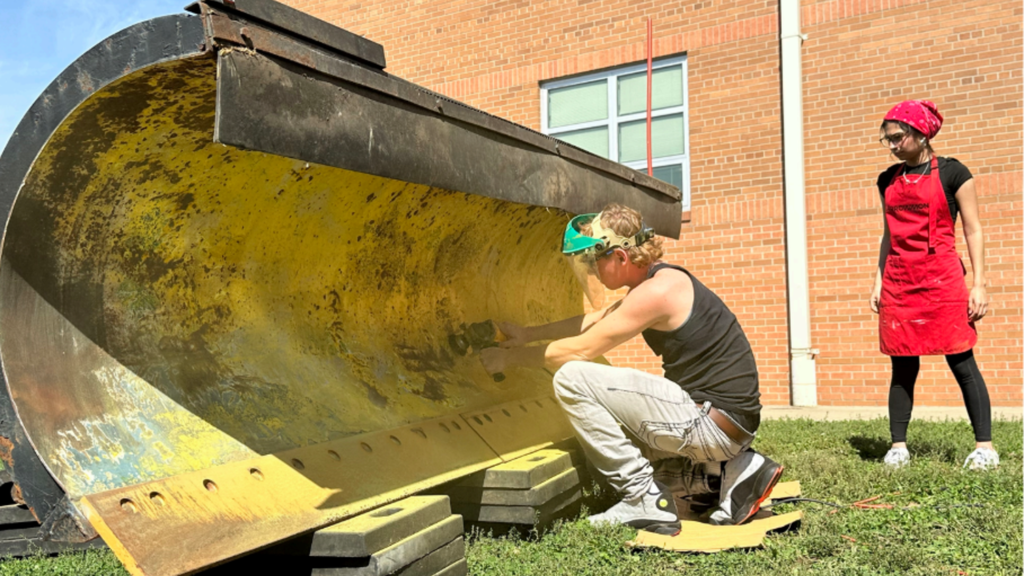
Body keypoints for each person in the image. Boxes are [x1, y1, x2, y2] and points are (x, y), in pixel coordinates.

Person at [479, 203, 782, 534]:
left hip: (710, 421)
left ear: (621, 257)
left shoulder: (658, 291)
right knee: (616, 448)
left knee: (572, 378)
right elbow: (596, 320)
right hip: (724, 422)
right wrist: (527, 335)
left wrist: (508, 360)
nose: (592, 269)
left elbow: (583, 348)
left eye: (596, 259)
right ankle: (734, 472)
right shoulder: (660, 281)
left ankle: (643, 499)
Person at [870, 100, 998, 470]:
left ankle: (985, 448)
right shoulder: (887, 180)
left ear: (921, 133)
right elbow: (887, 235)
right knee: (902, 365)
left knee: (961, 361)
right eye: (888, 139)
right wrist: (878, 281)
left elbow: (973, 229)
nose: (892, 145)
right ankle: (898, 447)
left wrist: (979, 284)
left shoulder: (954, 173)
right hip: (899, 281)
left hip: (943, 280)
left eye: (898, 137)